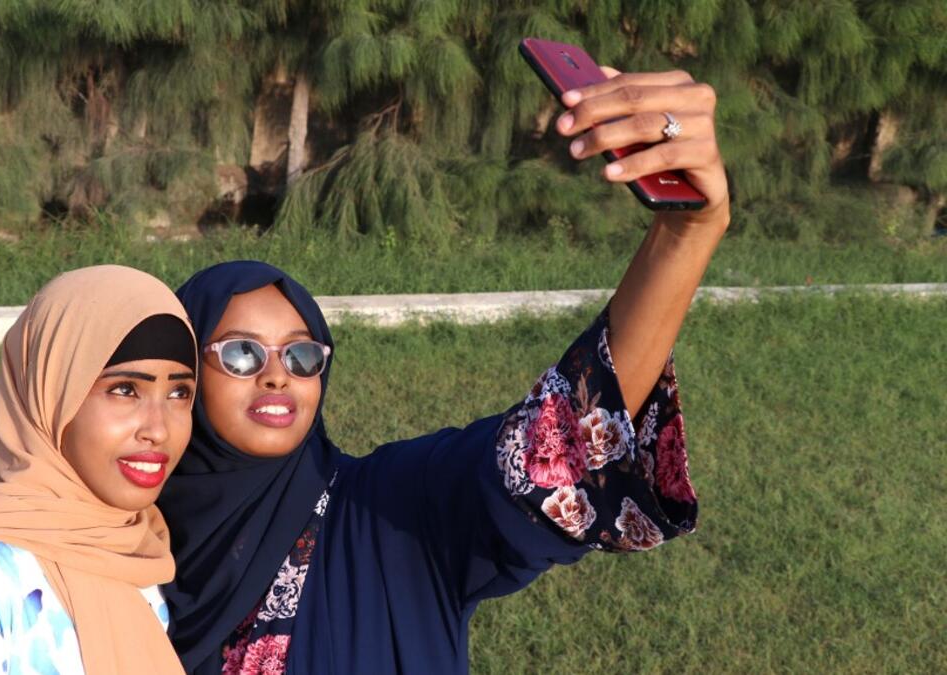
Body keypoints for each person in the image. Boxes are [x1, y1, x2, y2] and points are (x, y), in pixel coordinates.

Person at [157, 66, 728, 674]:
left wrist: (686, 233)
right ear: (184, 376)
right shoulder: (120, 541)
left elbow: (554, 444)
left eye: (301, 356)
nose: (277, 376)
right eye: (242, 353)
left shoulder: (391, 514)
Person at [0, 265, 196, 674]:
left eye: (178, 392)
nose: (159, 429)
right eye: (124, 390)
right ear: (51, 394)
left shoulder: (136, 550)